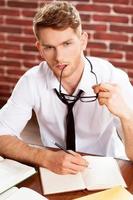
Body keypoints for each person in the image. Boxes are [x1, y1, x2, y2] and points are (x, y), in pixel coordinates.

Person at [0, 1, 133, 175]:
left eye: (67, 44)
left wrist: (127, 115)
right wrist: (44, 157)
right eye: (49, 47)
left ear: (83, 41)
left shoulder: (113, 77)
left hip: (107, 168)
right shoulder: (31, 80)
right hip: (55, 168)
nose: (59, 57)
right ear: (40, 49)